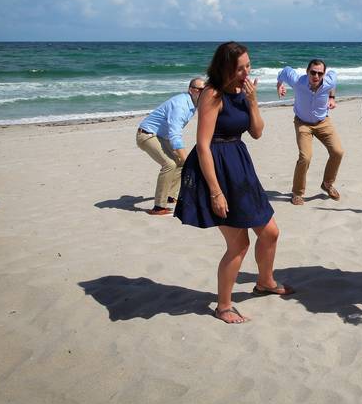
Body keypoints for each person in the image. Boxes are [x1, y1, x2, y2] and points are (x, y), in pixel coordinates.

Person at [174, 42, 293, 324]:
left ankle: (265, 282)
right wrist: (215, 192)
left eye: (248, 66)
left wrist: (253, 102)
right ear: (225, 67)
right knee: (239, 244)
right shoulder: (212, 94)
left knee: (270, 232)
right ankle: (223, 306)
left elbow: (257, 132)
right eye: (240, 68)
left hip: (240, 165)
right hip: (215, 168)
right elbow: (202, 146)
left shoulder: (242, 92)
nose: (245, 72)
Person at [277, 60, 344, 205]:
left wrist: (332, 97)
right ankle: (297, 193)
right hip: (303, 124)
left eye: (320, 73)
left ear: (324, 74)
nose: (316, 76)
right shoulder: (297, 82)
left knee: (338, 151)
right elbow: (284, 70)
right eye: (313, 72)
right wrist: (279, 84)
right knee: (305, 157)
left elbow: (334, 78)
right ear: (307, 72)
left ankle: (327, 184)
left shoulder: (329, 81)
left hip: (323, 122)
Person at [136, 78, 206, 216]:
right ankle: (158, 207)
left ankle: (170, 196)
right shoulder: (181, 105)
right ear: (191, 90)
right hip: (146, 135)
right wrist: (188, 159)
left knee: (179, 162)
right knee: (169, 164)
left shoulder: (193, 103)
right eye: (201, 90)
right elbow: (175, 135)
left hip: (161, 136)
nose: (204, 92)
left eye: (206, 89)